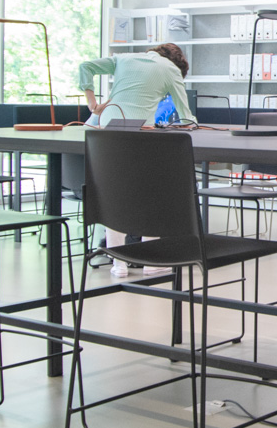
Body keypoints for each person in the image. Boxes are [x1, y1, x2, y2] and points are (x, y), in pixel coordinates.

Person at [77, 43, 194, 276]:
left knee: (113, 195)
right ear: (178, 65)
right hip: (141, 137)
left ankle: (118, 263)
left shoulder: (123, 59)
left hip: (104, 133)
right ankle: (151, 261)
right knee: (153, 194)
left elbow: (85, 66)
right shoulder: (171, 70)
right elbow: (186, 118)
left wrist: (92, 102)